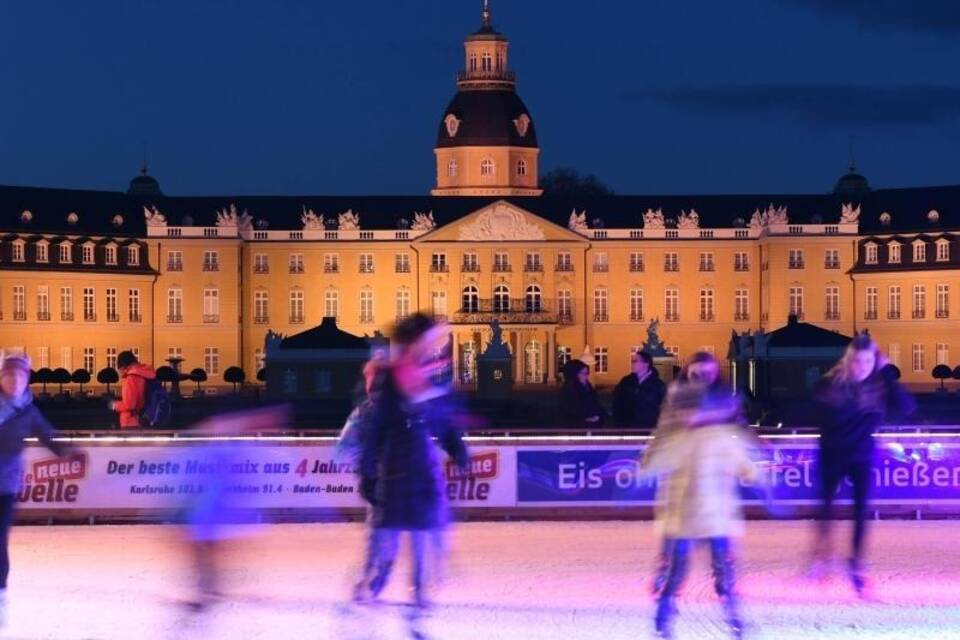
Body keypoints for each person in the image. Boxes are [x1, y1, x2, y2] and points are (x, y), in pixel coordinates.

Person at [353, 314, 469, 609]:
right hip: (394, 460)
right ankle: (375, 579)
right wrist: (367, 468)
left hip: (421, 458)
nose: (433, 345)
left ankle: (418, 586)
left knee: (421, 526)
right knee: (387, 529)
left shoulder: (431, 373)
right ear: (415, 340)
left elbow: (441, 418)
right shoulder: (390, 375)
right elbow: (375, 424)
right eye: (429, 339)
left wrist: (456, 448)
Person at [642, 351, 755, 640]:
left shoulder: (722, 399)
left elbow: (738, 432)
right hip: (686, 494)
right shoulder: (678, 399)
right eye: (697, 373)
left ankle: (729, 605)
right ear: (688, 373)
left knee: (720, 557)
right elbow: (664, 433)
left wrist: (753, 455)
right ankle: (666, 597)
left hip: (715, 499)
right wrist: (651, 461)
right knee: (677, 552)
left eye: (708, 373)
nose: (703, 378)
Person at [810, 334, 915, 595]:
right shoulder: (831, 384)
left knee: (861, 510)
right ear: (848, 360)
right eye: (857, 361)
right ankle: (822, 556)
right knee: (825, 508)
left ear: (874, 361)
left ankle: (856, 562)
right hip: (832, 453)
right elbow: (818, 413)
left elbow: (906, 407)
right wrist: (856, 402)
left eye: (868, 362)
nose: (862, 367)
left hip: (861, 455)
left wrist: (886, 374)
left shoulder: (879, 385)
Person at [0, 353, 75, 624]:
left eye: (20, 376)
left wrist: (67, 451)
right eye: (9, 375)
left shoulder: (28, 410)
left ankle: (0, 596)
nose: (15, 381)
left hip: (6, 485)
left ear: (26, 379)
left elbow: (47, 434)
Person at [612, 350, 666, 429]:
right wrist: (619, 423)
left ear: (646, 364)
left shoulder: (658, 385)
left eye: (635, 361)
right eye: (632, 361)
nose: (632, 364)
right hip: (627, 429)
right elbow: (617, 403)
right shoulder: (626, 381)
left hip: (649, 429)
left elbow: (664, 407)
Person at [108, 350, 156, 429]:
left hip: (130, 422)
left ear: (123, 367)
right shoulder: (143, 373)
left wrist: (114, 405)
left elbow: (129, 405)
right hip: (143, 419)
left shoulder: (131, 378)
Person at [559, 359, 606, 429]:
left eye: (587, 373)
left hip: (592, 427)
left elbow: (597, 405)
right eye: (583, 373)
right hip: (576, 430)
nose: (586, 376)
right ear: (574, 375)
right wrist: (585, 418)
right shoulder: (568, 392)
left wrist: (598, 416)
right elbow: (570, 411)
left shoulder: (588, 388)